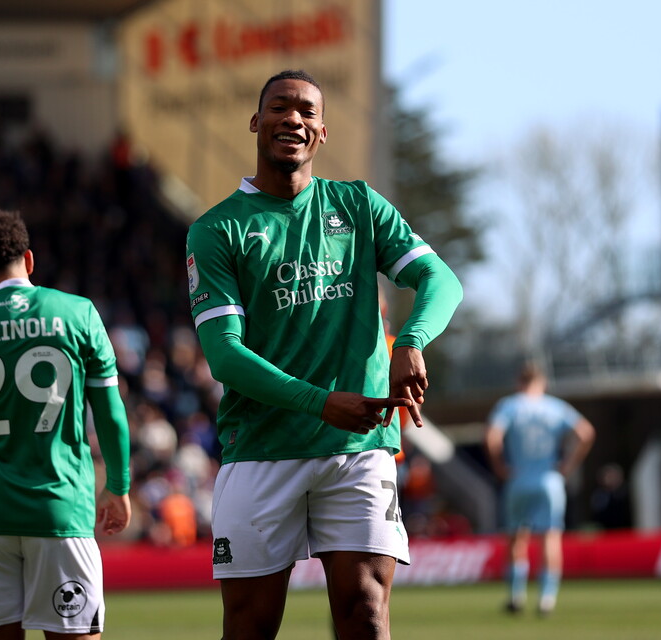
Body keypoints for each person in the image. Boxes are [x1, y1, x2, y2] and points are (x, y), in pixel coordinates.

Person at [186, 69, 463, 640]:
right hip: (262, 447)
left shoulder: (358, 205)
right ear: (256, 122)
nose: (293, 118)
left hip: (358, 447)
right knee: (249, 626)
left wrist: (410, 342)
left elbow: (440, 278)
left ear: (322, 132)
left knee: (365, 611)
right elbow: (225, 356)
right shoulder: (216, 230)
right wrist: (319, 403)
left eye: (307, 112)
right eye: (280, 108)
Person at [0, 209, 131, 639]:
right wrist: (120, 485)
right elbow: (109, 411)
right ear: (29, 260)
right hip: (58, 509)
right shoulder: (78, 313)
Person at [484, 363, 595, 616]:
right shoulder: (555, 406)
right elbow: (586, 432)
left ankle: (516, 596)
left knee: (516, 538)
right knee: (550, 538)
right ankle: (547, 599)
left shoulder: (509, 405)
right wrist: (568, 464)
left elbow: (492, 436)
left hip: (519, 479)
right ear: (542, 383)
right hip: (549, 480)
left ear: (518, 382)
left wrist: (500, 465)